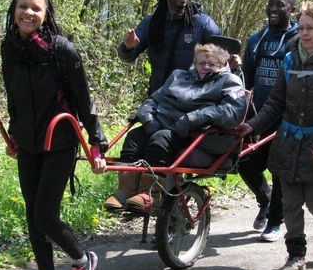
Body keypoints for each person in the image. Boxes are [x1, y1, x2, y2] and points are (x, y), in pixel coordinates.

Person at [0, 0, 108, 270]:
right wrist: (14, 134)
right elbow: (13, 96)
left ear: (45, 14)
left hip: (60, 139)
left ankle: (82, 259)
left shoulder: (61, 49)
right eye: (23, 6)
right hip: (29, 142)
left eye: (35, 8)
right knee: (34, 219)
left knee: (45, 214)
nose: (28, 13)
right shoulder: (9, 48)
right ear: (14, 11)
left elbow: (84, 101)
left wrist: (96, 143)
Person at [237, 1, 313, 270]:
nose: (304, 33)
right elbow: (276, 101)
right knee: (289, 202)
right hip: (288, 142)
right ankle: (296, 256)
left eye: (310, 28)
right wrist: (252, 124)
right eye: (301, 28)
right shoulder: (290, 59)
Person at [103, 43, 247, 212]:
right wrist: (148, 119)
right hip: (165, 125)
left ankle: (152, 195)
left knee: (161, 139)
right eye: (201, 63)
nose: (205, 67)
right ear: (194, 63)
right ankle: (125, 192)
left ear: (222, 65)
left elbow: (232, 112)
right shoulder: (179, 76)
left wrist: (194, 118)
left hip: (197, 133)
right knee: (135, 137)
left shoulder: (230, 81)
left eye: (211, 64)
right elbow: (152, 100)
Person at [239, 0, 299, 241]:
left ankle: (275, 222)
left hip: (287, 118)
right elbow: (247, 80)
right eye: (270, 4)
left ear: (292, 10)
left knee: (278, 170)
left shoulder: (298, 39)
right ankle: (266, 200)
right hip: (258, 117)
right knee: (245, 164)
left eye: (280, 6)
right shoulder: (256, 39)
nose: (273, 10)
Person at [117, 0, 220, 94]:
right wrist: (128, 47)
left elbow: (221, 62)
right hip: (158, 98)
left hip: (191, 100)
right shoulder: (152, 23)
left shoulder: (204, 23)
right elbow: (127, 57)